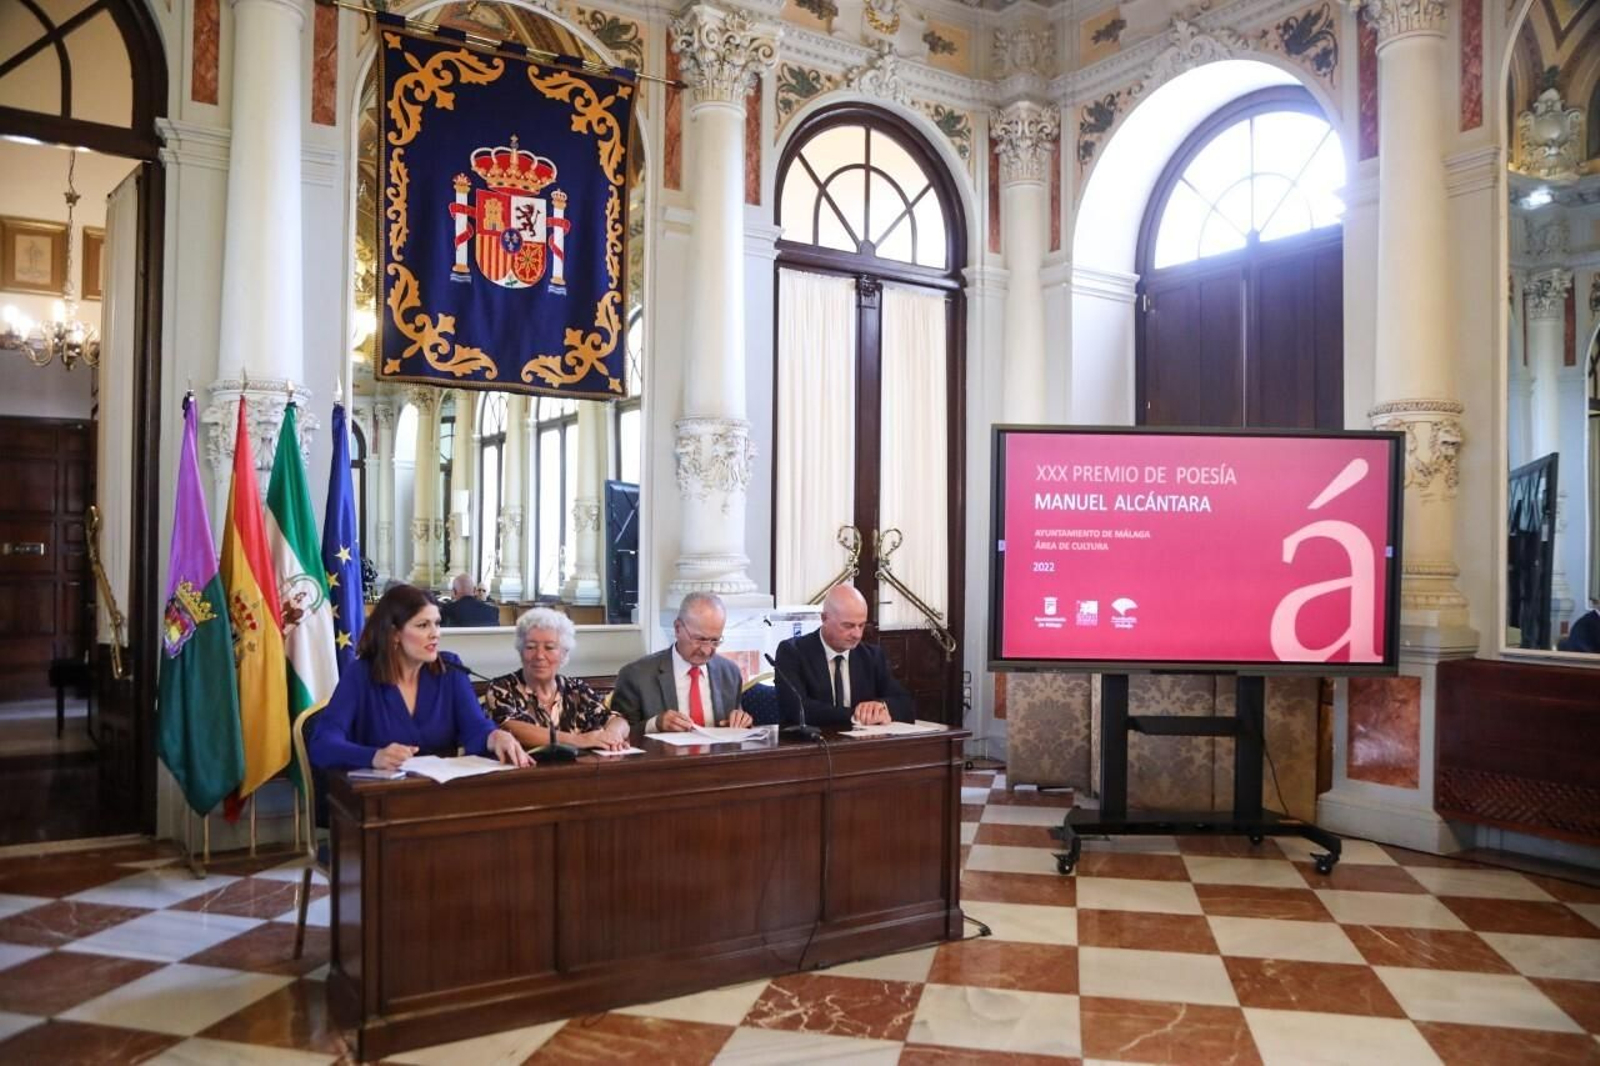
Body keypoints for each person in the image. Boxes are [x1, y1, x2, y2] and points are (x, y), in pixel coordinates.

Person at [309, 583, 529, 771]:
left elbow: (475, 728)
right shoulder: (361, 674)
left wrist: (495, 737)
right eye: (423, 625)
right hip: (380, 800)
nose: (435, 633)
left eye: (437, 623)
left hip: (437, 796)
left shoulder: (450, 669)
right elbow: (323, 744)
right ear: (394, 634)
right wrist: (373, 757)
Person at [482, 607, 632, 750]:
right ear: (521, 652)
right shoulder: (502, 687)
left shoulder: (576, 689)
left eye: (549, 647)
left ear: (564, 654)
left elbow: (616, 720)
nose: (539, 656)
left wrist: (612, 736)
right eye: (530, 647)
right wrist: (579, 740)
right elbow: (509, 727)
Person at [775, 584, 913, 729]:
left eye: (861, 625)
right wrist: (857, 715)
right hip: (813, 745)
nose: (857, 634)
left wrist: (880, 708)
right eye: (848, 626)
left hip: (864, 745)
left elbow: (906, 704)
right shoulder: (792, 652)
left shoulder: (871, 656)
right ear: (824, 619)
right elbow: (797, 710)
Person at [611, 592, 751, 732]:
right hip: (662, 753)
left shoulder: (729, 673)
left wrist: (740, 721)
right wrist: (655, 724)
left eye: (715, 641)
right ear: (678, 628)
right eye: (699, 639)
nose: (707, 650)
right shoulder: (636, 676)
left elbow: (734, 728)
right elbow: (618, 735)